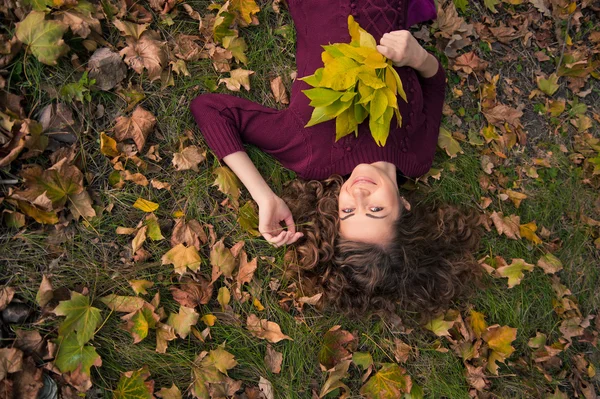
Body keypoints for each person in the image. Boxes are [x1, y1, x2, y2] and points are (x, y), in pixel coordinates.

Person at [190, 0, 481, 314]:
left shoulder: (312, 153)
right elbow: (435, 84)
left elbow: (210, 109)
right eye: (375, 208)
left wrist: (263, 196)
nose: (358, 193)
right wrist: (420, 58)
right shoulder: (417, 157)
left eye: (348, 211)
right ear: (405, 207)